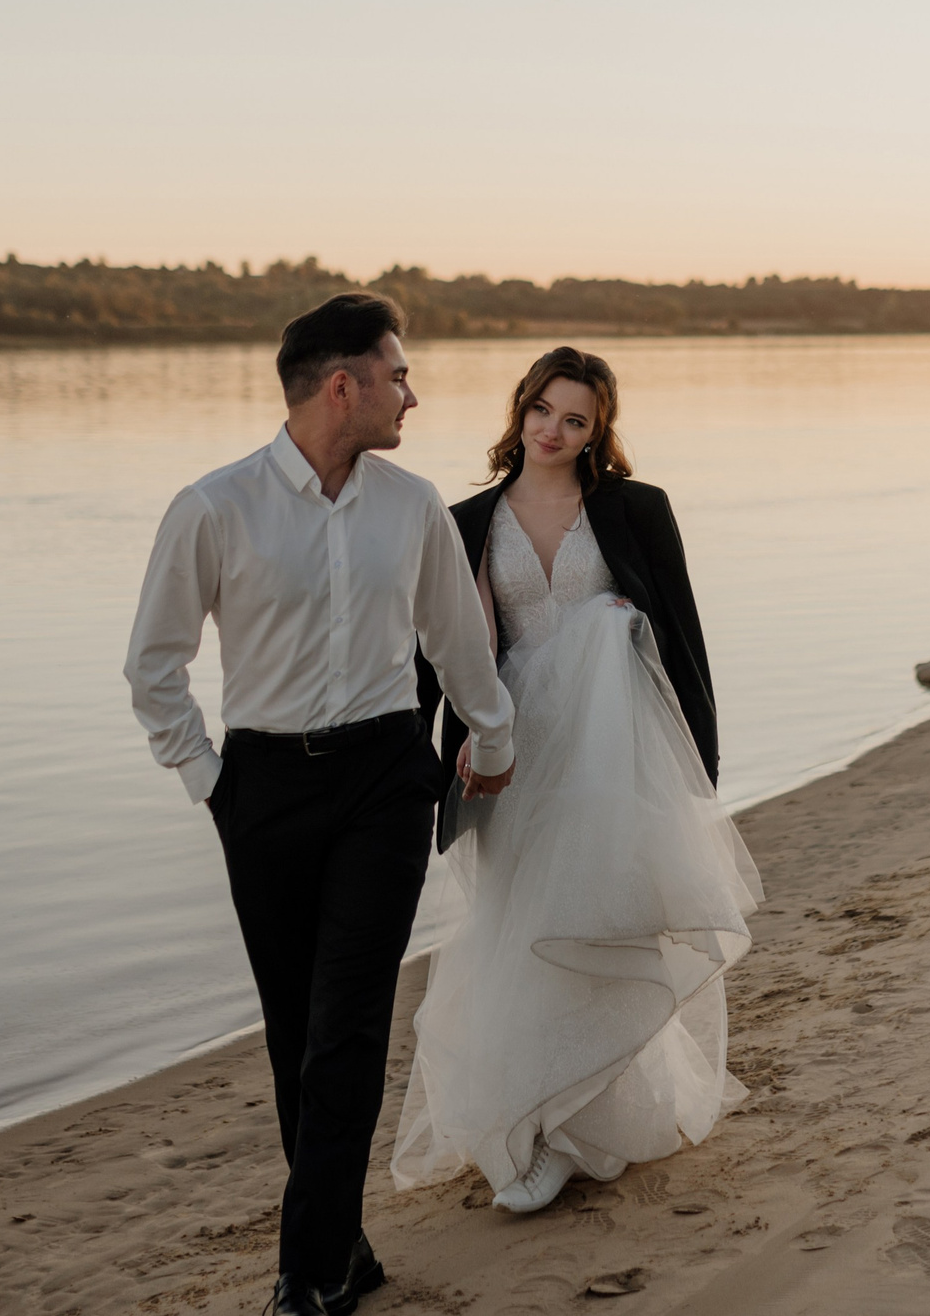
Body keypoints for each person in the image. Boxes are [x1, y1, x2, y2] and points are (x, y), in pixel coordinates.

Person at [125, 293, 515, 1316]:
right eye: (397, 374)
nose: (411, 393)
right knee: (297, 1026)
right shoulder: (214, 507)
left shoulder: (413, 503)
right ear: (341, 383)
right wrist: (210, 779)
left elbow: (452, 636)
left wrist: (493, 731)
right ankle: (343, 1246)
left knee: (348, 1019)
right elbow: (153, 664)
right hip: (264, 788)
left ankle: (304, 1274)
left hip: (385, 777)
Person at [391, 346, 761, 1214]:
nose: (553, 431)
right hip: (514, 760)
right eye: (542, 411)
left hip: (616, 757)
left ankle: (586, 1124)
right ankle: (533, 1125)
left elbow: (683, 636)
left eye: (575, 419)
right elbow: (447, 651)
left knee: (599, 929)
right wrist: (422, 761)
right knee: (519, 933)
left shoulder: (636, 510)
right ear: (519, 410)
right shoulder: (466, 519)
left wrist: (697, 767)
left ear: (599, 430)